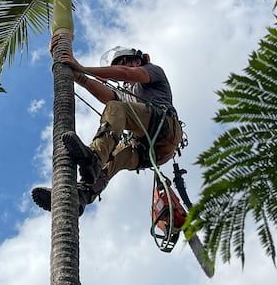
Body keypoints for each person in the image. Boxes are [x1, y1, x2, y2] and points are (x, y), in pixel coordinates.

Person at [32, 44, 183, 215]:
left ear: (136, 61)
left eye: (124, 63)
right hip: (149, 152)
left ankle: (94, 157)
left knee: (115, 108)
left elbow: (125, 74)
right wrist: (77, 75)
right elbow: (107, 95)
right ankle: (81, 194)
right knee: (113, 157)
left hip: (164, 127)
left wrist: (82, 67)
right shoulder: (127, 90)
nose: (122, 69)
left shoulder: (152, 71)